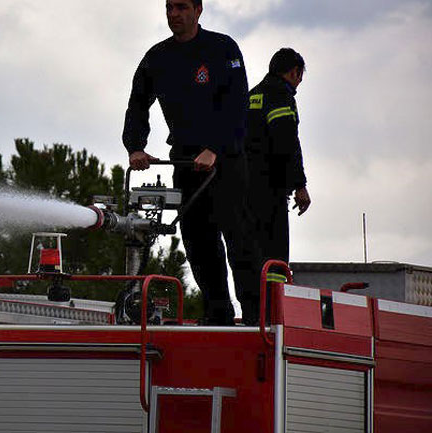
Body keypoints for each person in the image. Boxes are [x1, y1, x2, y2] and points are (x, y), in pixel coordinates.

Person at [123, 0, 262, 325]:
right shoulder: (157, 57)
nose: (175, 14)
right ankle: (218, 314)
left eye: (182, 7)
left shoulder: (222, 49)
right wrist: (136, 147)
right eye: (170, 8)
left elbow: (238, 105)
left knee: (239, 239)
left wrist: (215, 147)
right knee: (198, 242)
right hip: (185, 162)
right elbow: (138, 102)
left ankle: (256, 316)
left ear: (198, 10)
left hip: (225, 161)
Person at [245, 48, 311, 265]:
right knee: (274, 257)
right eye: (300, 76)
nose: (299, 82)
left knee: (251, 254)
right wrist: (299, 185)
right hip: (270, 190)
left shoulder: (252, 95)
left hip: (242, 189)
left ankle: (254, 297)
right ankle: (272, 297)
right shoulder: (281, 96)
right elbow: (287, 142)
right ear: (294, 72)